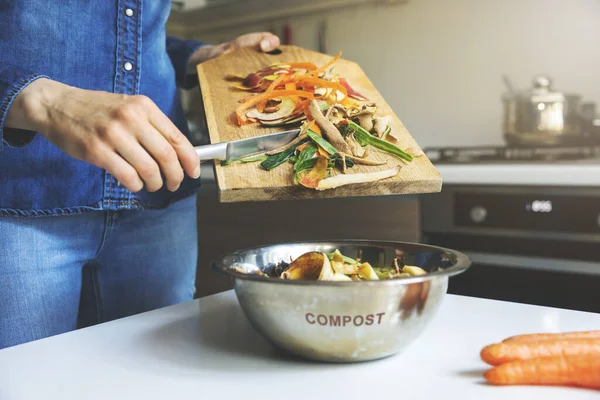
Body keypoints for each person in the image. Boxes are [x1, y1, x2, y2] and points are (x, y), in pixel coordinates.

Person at [0, 1, 280, 349]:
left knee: (158, 373)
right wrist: (42, 101)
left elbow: (128, 33)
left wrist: (202, 55)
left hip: (159, 201)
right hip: (20, 202)